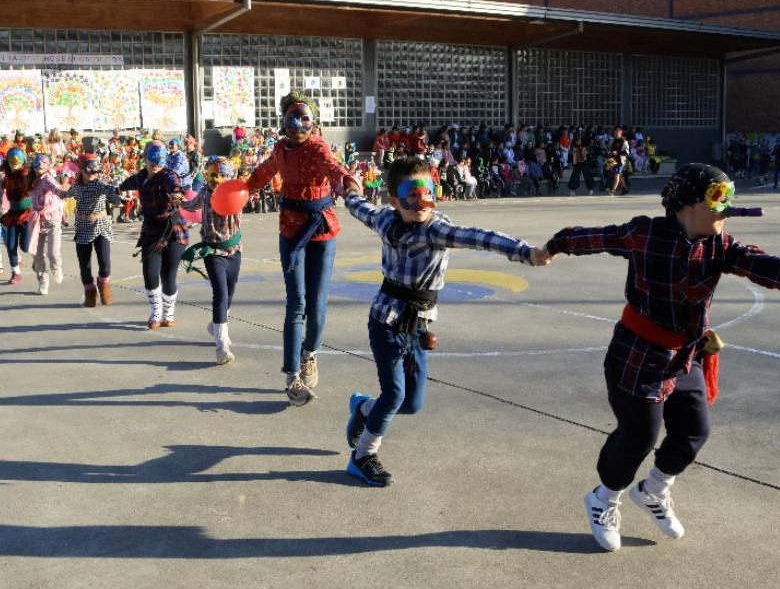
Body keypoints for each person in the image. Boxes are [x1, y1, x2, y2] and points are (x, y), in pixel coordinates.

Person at [543, 163, 780, 552]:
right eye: (719, 200)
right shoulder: (645, 233)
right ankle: (603, 498)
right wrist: (550, 248)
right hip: (637, 356)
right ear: (689, 204)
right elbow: (588, 237)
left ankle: (653, 490)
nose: (728, 209)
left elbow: (769, 266)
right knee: (638, 438)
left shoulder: (721, 246)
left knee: (694, 430)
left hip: (685, 356)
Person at [342, 157, 551, 486]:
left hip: (419, 325)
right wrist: (350, 190)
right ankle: (363, 455)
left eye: (428, 192)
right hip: (384, 321)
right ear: (394, 200)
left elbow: (478, 237)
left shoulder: (436, 228)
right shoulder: (385, 219)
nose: (421, 202)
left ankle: (365, 408)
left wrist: (526, 252)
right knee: (394, 395)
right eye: (412, 195)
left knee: (411, 404)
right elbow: (359, 207)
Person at [244, 92, 356, 407]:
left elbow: (332, 168)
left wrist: (347, 182)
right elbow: (264, 171)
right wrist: (242, 189)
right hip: (291, 232)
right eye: (292, 118)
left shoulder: (318, 147)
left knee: (317, 304)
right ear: (283, 122)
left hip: (321, 231)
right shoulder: (280, 149)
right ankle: (292, 375)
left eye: (304, 119)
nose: (297, 126)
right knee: (296, 303)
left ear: (313, 122)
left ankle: (309, 355)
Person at [180, 157, 242, 365]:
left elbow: (247, 194)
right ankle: (221, 344)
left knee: (230, 290)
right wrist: (178, 201)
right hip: (212, 250)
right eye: (213, 174)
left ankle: (217, 322)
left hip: (233, 248)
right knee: (220, 292)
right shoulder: (204, 193)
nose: (217, 179)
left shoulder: (235, 193)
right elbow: (190, 205)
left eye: (222, 174)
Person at [120, 140, 188, 328]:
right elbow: (126, 184)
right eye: (152, 160)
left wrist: (177, 195)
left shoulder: (169, 175)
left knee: (168, 275)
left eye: (160, 160)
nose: (156, 164)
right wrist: (115, 190)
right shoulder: (141, 177)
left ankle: (169, 313)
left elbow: (174, 186)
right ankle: (156, 312)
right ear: (144, 158)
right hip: (151, 230)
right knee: (150, 274)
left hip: (173, 230)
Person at [65, 154, 121, 306]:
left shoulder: (98, 185)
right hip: (83, 228)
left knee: (105, 263)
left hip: (101, 227)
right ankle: (90, 291)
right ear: (82, 170)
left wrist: (117, 191)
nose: (92, 174)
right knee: (85, 266)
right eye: (88, 170)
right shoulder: (76, 187)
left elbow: (112, 190)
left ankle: (104, 287)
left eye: (95, 171)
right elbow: (64, 194)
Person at [26, 153, 65, 295]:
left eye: (43, 163)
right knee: (37, 255)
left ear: (48, 166)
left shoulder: (47, 178)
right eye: (37, 163)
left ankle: (56, 268)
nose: (39, 166)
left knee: (53, 253)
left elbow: (56, 188)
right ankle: (43, 281)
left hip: (52, 219)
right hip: (38, 221)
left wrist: (63, 193)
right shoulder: (32, 180)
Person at [0, 148, 33, 284]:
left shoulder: (25, 174)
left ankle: (37, 258)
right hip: (13, 213)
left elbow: (35, 183)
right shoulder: (7, 174)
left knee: (25, 246)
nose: (15, 163)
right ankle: (15, 273)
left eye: (17, 160)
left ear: (23, 161)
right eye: (12, 160)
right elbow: (2, 187)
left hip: (26, 213)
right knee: (11, 244)